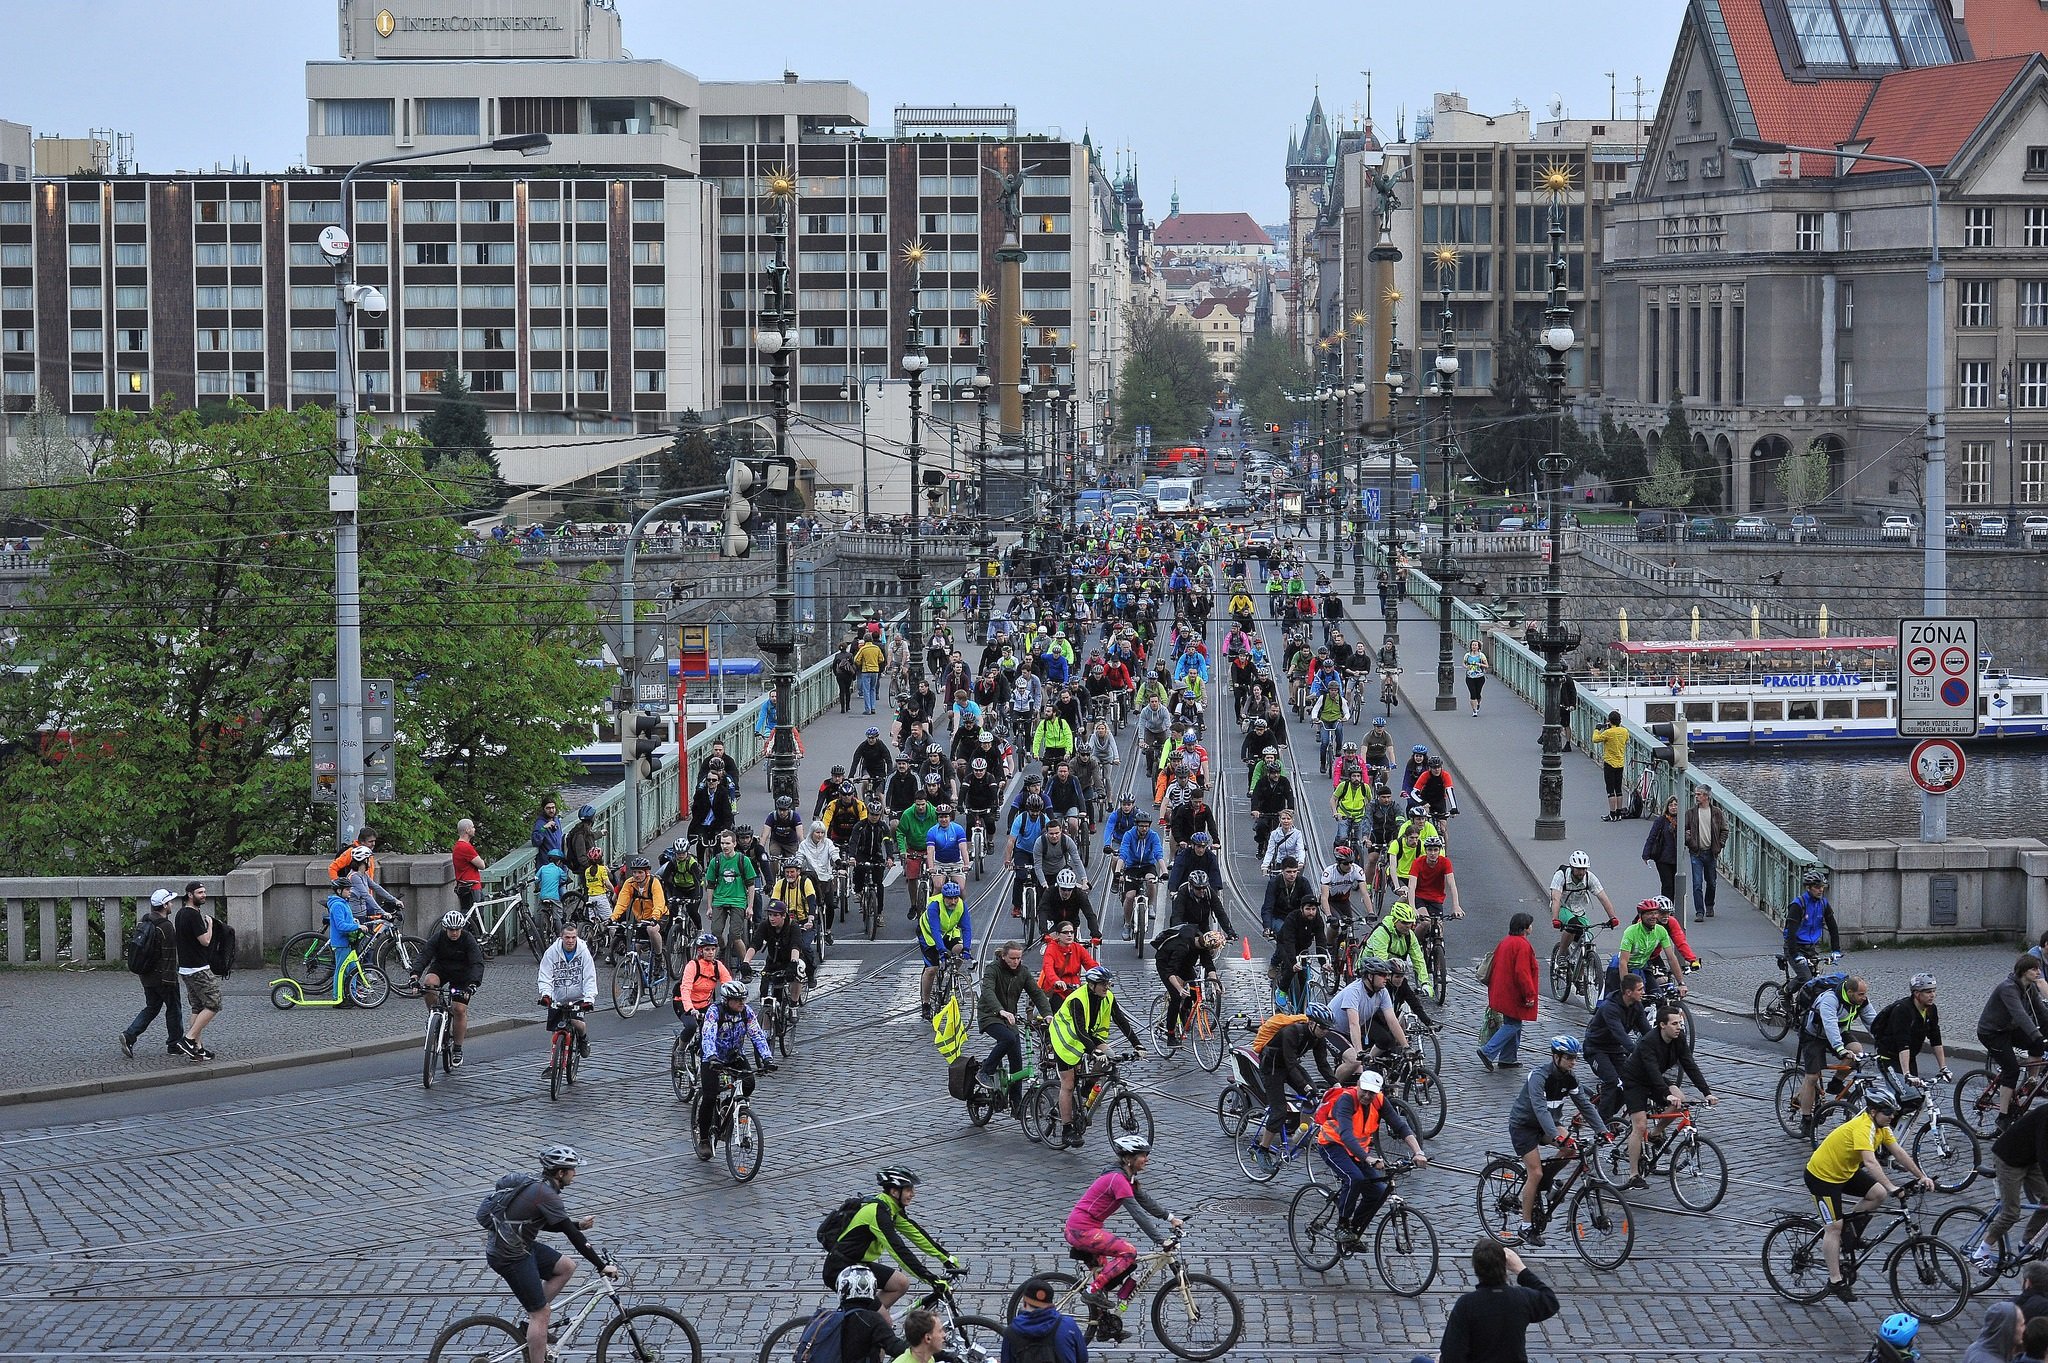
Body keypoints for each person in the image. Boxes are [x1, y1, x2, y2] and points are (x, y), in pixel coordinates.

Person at [479, 1146, 618, 1363]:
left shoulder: (539, 1185)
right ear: (560, 1173)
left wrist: (578, 1225)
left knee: (566, 1267)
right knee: (541, 1313)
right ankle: (536, 1327)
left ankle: (533, 1324)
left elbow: (544, 1222)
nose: (575, 1173)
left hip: (518, 1245)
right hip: (510, 1256)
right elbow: (573, 1237)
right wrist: (601, 1265)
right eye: (572, 1169)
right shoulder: (546, 1194)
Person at [1803, 1087, 1935, 1301]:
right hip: (1822, 1177)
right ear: (1873, 1111)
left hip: (1844, 1173)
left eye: (1893, 1113)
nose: (1892, 1117)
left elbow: (1899, 1152)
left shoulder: (1882, 1126)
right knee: (1833, 1227)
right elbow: (1870, 1162)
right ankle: (1835, 1280)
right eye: (1888, 1112)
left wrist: (1921, 1176)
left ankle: (1850, 1234)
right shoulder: (1863, 1127)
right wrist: (1893, 1186)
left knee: (1877, 1194)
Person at [1064, 1135, 1182, 1340]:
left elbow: (1144, 1200)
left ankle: (1105, 1326)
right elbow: (1137, 1213)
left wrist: (1170, 1218)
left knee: (1106, 1275)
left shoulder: (1126, 1178)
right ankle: (1092, 1290)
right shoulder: (1117, 1180)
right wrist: (1160, 1240)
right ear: (1129, 1158)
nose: (1146, 1159)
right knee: (1128, 1252)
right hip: (1081, 1230)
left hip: (1086, 1228)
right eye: (1143, 1155)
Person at [820, 1167, 962, 1324]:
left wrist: (946, 1258)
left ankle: (862, 1322)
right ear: (895, 1192)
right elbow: (898, 1250)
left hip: (858, 1266)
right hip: (841, 1269)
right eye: (909, 1189)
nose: (913, 1194)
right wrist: (930, 1278)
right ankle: (867, 1326)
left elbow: (916, 1234)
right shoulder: (876, 1212)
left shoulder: (889, 1208)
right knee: (883, 1322)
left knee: (900, 1283)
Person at [1505, 1037, 1606, 1246]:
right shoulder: (1539, 1077)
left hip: (1548, 1124)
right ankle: (1525, 1227)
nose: (1573, 1062)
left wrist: (1602, 1130)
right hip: (1524, 1126)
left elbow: (1585, 1105)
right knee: (1535, 1172)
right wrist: (1556, 1134)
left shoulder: (1570, 1078)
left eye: (1575, 1058)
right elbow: (1540, 1109)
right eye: (1569, 1058)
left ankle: (1546, 1183)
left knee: (1571, 1150)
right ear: (1556, 1057)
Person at [1316, 1069, 1427, 1243]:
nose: (1367, 1096)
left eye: (1372, 1093)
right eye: (1365, 1091)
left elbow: (1400, 1126)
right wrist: (1368, 1159)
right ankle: (1342, 1226)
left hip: (1358, 1151)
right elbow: (1346, 1135)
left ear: (1378, 1092)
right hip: (1333, 1145)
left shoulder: (1379, 1101)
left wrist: (1418, 1152)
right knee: (1355, 1179)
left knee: (1378, 1193)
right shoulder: (1346, 1100)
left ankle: (1353, 1231)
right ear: (1358, 1085)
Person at [1047, 966, 1145, 1149]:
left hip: (1086, 1035)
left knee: (1110, 1056)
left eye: (1108, 983)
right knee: (1068, 1084)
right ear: (1092, 985)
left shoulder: (1107, 997)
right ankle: (1066, 1129)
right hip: (1065, 1038)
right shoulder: (1077, 999)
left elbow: (1121, 1020)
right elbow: (1079, 1029)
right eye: (1103, 984)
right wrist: (1093, 1051)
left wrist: (1137, 1044)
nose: (1107, 987)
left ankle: (1086, 1089)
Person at [1618, 1001, 1716, 1185]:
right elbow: (1652, 1069)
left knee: (1680, 1099)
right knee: (1639, 1126)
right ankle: (1633, 1175)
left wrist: (1706, 1092)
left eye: (1680, 1023)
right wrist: (1665, 1094)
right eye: (1674, 1024)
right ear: (1662, 1025)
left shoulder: (1678, 1039)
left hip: (1654, 1079)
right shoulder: (1649, 1042)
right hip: (1635, 1080)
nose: (1679, 1027)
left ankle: (1655, 1133)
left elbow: (1689, 1064)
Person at [1436, 1239, 1559, 1363]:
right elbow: (1550, 1300)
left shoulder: (1467, 1304)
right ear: (1505, 1266)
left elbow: (1452, 1356)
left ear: (1476, 1269)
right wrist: (1521, 1270)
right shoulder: (1521, 1298)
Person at [694, 980, 776, 1160]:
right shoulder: (715, 1012)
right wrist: (712, 1057)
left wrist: (767, 1058)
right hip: (713, 1057)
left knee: (749, 1084)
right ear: (726, 1000)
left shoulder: (746, 1012)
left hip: (735, 1056)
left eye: (743, 999)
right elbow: (708, 1035)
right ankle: (704, 1138)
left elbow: (757, 1035)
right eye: (737, 1000)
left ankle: (726, 1106)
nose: (741, 1003)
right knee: (709, 1095)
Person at [1979, 1101, 2048, 1275]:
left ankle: (2027, 1241)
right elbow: (2044, 1154)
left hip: (2029, 1159)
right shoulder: (2046, 1115)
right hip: (2009, 1159)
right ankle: (1982, 1251)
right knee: (2011, 1213)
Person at [979, 940, 1052, 1098]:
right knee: (1008, 1039)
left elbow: (1037, 993)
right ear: (1004, 956)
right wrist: (1000, 1011)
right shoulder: (993, 969)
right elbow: (988, 991)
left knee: (1017, 1062)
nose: (1016, 961)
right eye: (1012, 958)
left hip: (1009, 1018)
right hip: (990, 1015)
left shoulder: (1023, 972)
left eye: (1018, 958)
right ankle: (985, 1071)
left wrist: (1047, 1013)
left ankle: (1016, 1103)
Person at [1980, 955, 2048, 1126]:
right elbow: (2020, 1015)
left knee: (2036, 1046)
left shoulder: (2030, 987)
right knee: (2011, 1069)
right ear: (2024, 971)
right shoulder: (2008, 988)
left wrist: (2041, 1036)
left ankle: (2031, 1082)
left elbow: (2041, 1013)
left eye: (2038, 968)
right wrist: (2036, 1035)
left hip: (2010, 1029)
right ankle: (2002, 1116)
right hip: (1992, 1032)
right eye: (2034, 969)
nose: (2038, 972)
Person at [412, 909, 485, 1065]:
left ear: (462, 928)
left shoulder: (468, 939)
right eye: (451, 930)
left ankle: (457, 1048)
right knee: (429, 983)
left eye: (457, 929)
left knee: (459, 1009)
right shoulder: (438, 938)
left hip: (462, 975)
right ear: (445, 928)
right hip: (442, 969)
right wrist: (414, 975)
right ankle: (434, 1014)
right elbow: (424, 955)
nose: (454, 933)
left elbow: (477, 963)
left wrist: (473, 984)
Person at [120, 889, 185, 1059]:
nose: (172, 905)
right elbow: (170, 956)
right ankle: (174, 1044)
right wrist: (172, 980)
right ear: (164, 905)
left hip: (146, 976)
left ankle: (130, 1035)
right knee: (174, 1009)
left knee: (152, 1007)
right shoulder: (166, 926)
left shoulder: (144, 921)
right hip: (164, 977)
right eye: (170, 902)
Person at [1584, 972, 1651, 1121]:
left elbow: (1646, 1031)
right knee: (1612, 1082)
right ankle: (1601, 1124)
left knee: (1628, 1082)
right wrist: (1636, 1052)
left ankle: (1608, 1111)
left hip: (1614, 1050)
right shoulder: (1610, 1008)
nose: (1643, 992)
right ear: (1628, 992)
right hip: (1595, 1049)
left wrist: (1661, 1046)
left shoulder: (1636, 1006)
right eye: (1640, 989)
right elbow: (1620, 1034)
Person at [1478, 913, 1540, 1071]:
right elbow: (1523, 973)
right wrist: (1529, 995)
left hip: (1501, 990)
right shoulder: (1523, 945)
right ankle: (1488, 1051)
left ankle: (1508, 1058)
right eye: (1530, 924)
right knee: (1512, 1025)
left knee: (1513, 1023)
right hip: (1513, 993)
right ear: (1525, 928)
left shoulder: (1505, 942)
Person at [1872, 973, 1951, 1084]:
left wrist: (1943, 1068)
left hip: (1910, 1057)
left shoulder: (1931, 1009)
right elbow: (1903, 1043)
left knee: (1916, 1097)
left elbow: (1935, 1038)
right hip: (1889, 1057)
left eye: (1934, 991)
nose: (1932, 995)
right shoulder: (1903, 1010)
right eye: (1928, 992)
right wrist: (1907, 1074)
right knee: (1905, 1095)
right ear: (1917, 994)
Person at [173, 881, 221, 1060]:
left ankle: (197, 1049)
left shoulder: (180, 914)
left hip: (186, 968)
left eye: (204, 892)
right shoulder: (192, 915)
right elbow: (205, 941)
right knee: (214, 1003)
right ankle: (188, 1039)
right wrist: (210, 926)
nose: (204, 895)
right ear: (190, 894)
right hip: (198, 968)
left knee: (197, 1007)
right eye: (200, 892)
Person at [537, 922, 597, 1058]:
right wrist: (546, 995)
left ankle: (583, 1039)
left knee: (578, 1024)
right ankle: (554, 1061)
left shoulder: (584, 953)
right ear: (561, 937)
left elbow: (589, 977)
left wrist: (589, 999)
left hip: (577, 997)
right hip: (557, 997)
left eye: (573, 937)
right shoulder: (552, 952)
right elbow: (545, 975)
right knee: (555, 1029)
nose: (570, 941)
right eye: (567, 937)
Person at [916, 882, 972, 1019]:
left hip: (948, 932)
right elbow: (934, 930)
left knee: (959, 950)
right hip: (928, 935)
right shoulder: (935, 906)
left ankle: (952, 973)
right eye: (949, 898)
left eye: (956, 898)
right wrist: (941, 950)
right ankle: (926, 1003)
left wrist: (967, 949)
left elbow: (966, 928)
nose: (953, 901)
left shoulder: (961, 905)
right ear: (943, 897)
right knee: (932, 970)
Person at [1003, 1275, 1088, 1363]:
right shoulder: (1068, 1325)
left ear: (1024, 1303)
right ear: (1051, 1304)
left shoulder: (1011, 1332)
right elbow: (1083, 1358)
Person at [702, 829, 758, 962]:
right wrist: (709, 907)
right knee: (715, 933)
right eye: (722, 843)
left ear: (734, 844)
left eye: (727, 843)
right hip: (719, 900)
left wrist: (750, 907)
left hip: (738, 901)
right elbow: (710, 886)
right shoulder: (715, 861)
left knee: (735, 935)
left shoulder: (743, 860)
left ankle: (745, 966)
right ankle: (722, 948)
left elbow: (751, 885)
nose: (724, 846)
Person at [610, 856, 669, 977]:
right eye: (635, 872)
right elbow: (622, 903)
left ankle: (658, 958)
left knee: (651, 930)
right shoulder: (629, 883)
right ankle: (637, 985)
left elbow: (659, 903)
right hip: (641, 918)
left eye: (640, 872)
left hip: (659, 915)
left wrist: (654, 918)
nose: (637, 875)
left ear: (647, 872)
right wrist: (613, 918)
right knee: (635, 948)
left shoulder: (654, 882)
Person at [671, 932, 731, 1050]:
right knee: (691, 1027)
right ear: (700, 951)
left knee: (719, 1025)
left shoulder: (718, 966)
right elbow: (685, 989)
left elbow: (729, 985)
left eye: (713, 949)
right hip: (683, 1003)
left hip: (704, 1004)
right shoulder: (693, 965)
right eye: (707, 949)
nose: (711, 952)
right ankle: (680, 1051)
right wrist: (690, 1009)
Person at [1784, 867, 1841, 978]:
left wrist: (1836, 950)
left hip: (1810, 948)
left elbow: (1833, 927)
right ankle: (1784, 992)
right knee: (1805, 978)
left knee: (1816, 980)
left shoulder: (1823, 903)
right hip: (1795, 947)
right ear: (1808, 888)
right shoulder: (1798, 904)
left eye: (1822, 887)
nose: (1820, 890)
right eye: (1817, 887)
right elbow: (1791, 932)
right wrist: (1795, 954)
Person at [1684, 784, 1729, 920]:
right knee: (1697, 883)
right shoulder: (1691, 813)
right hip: (1696, 852)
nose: (1696, 796)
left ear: (1706, 796)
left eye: (1698, 794)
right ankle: (1699, 911)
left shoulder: (1716, 812)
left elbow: (1724, 830)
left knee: (1711, 882)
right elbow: (1683, 829)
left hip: (1711, 852)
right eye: (1695, 794)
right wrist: (1690, 841)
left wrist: (1720, 844)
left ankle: (1709, 905)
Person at [1549, 850, 1618, 932]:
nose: (1581, 872)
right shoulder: (1561, 875)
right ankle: (1563, 946)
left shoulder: (1590, 877)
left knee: (1588, 936)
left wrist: (1612, 917)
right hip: (1562, 908)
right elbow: (1555, 899)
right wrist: (1555, 919)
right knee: (1573, 925)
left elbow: (1603, 898)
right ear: (1571, 867)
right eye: (1578, 869)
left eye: (1584, 869)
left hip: (1579, 911)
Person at [1039, 921, 1098, 999]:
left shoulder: (1078, 948)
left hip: (1075, 988)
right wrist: (1056, 981)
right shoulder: (1051, 949)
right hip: (1057, 989)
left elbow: (1091, 964)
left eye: (1071, 932)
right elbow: (1048, 968)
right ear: (1058, 935)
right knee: (1058, 1008)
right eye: (1065, 932)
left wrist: (1101, 974)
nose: (1069, 935)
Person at [1590, 709, 1629, 821]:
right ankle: (1619, 813)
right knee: (1619, 789)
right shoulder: (1624, 731)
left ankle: (1612, 814)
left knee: (1610, 789)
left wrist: (1597, 729)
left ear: (1609, 721)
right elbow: (1626, 741)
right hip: (1620, 762)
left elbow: (1595, 739)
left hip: (1609, 763)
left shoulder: (1608, 733)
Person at [1640, 797, 1680, 902]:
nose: (1673, 807)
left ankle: (1671, 905)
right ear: (1667, 807)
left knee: (1676, 885)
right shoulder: (1661, 820)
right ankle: (1667, 907)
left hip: (1677, 858)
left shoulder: (1683, 821)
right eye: (1671, 805)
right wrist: (1646, 854)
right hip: (1663, 858)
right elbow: (1652, 837)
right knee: (1667, 884)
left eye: (1676, 805)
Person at [451, 818, 486, 916]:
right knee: (476, 917)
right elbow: (482, 865)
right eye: (473, 827)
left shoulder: (458, 846)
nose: (474, 829)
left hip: (464, 886)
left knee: (467, 914)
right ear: (467, 830)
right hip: (472, 887)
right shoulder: (465, 847)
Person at [1462, 641, 1488, 716]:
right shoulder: (1467, 655)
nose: (1474, 646)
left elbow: (1486, 665)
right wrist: (1466, 667)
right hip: (1470, 677)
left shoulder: (1481, 656)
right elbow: (1463, 663)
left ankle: (1478, 703)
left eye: (1475, 645)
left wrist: (1479, 664)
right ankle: (1474, 710)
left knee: (1478, 694)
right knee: (1472, 693)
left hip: (1479, 677)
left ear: (1478, 647)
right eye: (1473, 645)